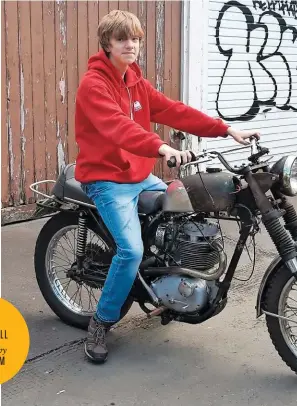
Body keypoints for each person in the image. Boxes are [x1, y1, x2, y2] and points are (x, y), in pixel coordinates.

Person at [74, 10, 260, 363]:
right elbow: (117, 127)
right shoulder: (93, 85)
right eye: (123, 39)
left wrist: (226, 129)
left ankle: (166, 288)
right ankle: (101, 322)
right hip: (107, 179)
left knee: (182, 212)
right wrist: (160, 147)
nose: (131, 45)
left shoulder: (136, 84)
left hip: (140, 174)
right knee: (130, 251)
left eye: (136, 39)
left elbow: (176, 111)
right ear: (107, 44)